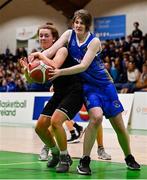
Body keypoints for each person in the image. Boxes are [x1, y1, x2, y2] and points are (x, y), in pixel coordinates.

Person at [30, 9, 140, 175]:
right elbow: (50, 51)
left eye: (82, 22)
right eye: (76, 22)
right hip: (88, 86)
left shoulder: (94, 41)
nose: (78, 25)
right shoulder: (68, 35)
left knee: (119, 126)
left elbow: (83, 66)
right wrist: (36, 59)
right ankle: (84, 160)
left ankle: (128, 156)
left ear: (87, 25)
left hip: (105, 85)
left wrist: (60, 72)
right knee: (96, 118)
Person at [22, 23, 84, 173]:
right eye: (41, 35)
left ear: (55, 38)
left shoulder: (62, 49)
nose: (43, 38)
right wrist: (27, 72)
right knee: (40, 128)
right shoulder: (42, 54)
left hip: (74, 90)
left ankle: (65, 157)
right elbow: (33, 81)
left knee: (56, 122)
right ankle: (55, 153)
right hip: (60, 92)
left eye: (46, 35)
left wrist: (40, 57)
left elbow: (55, 66)